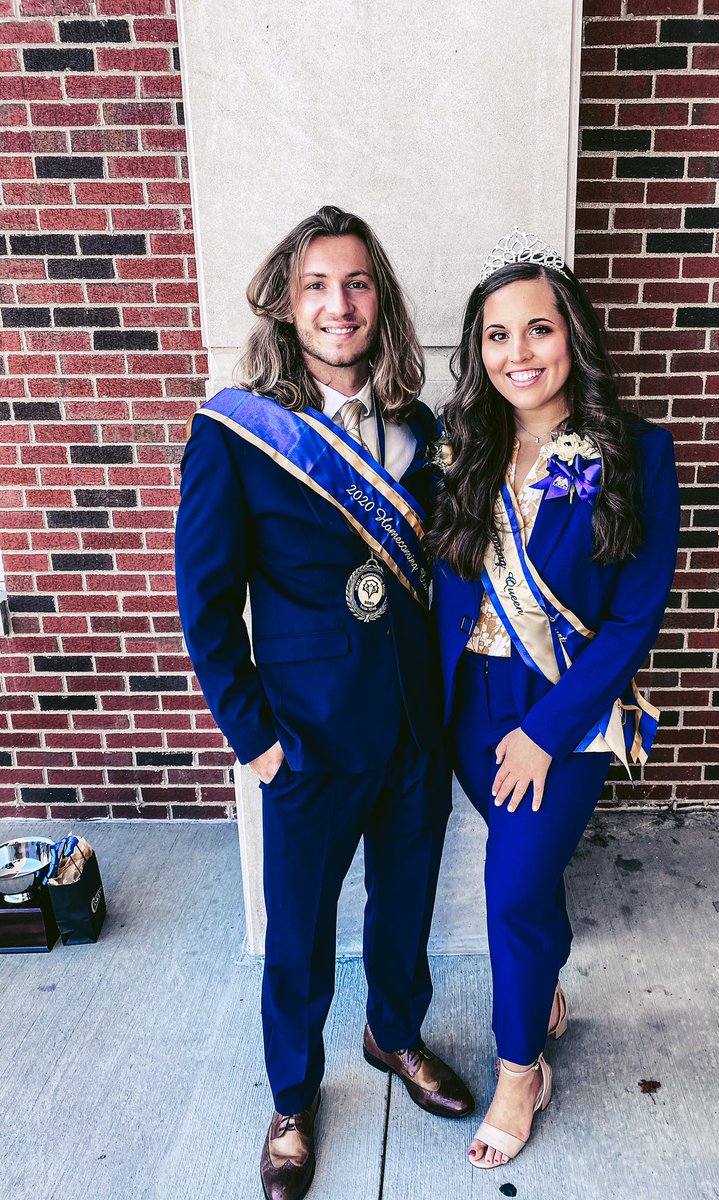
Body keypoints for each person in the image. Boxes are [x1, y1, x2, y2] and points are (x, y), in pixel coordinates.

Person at [174, 205, 474, 1200]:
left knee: (405, 910)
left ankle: (394, 1036)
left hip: (411, 731)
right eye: (316, 287)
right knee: (297, 933)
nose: (337, 305)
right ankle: (294, 1097)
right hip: (302, 740)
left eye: (355, 284)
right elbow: (205, 606)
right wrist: (254, 741)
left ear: (379, 300)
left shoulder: (420, 432)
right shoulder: (235, 432)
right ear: (286, 304)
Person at [427, 229, 681, 1168]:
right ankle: (542, 983)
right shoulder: (462, 446)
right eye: (497, 336)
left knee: (512, 891)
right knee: (522, 879)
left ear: (571, 336)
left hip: (562, 711)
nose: (518, 353)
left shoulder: (637, 454)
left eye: (538, 329)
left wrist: (544, 729)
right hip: (470, 704)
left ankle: (518, 1070)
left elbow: (630, 623)